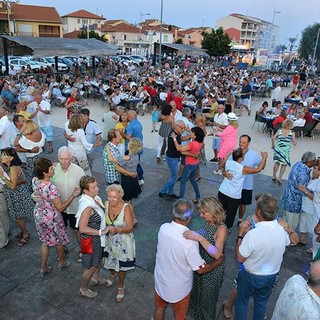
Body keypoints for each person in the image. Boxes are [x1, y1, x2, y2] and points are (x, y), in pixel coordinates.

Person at [153, 199, 223, 320]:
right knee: (180, 317)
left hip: (160, 281)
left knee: (159, 308)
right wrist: (216, 263)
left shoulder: (163, 228)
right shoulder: (189, 242)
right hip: (179, 289)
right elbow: (200, 269)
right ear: (189, 218)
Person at [235, 193, 290, 320]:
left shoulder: (253, 234)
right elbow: (289, 241)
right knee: (261, 303)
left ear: (258, 211)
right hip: (272, 275)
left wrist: (240, 235)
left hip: (250, 275)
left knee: (242, 302)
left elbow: (240, 258)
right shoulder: (282, 231)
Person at [33, 158, 80, 276]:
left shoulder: (35, 181)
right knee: (59, 241)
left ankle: (43, 267)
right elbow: (60, 208)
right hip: (52, 217)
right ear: (45, 172)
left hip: (39, 215)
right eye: (50, 168)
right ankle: (61, 262)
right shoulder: (51, 188)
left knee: (45, 242)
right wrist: (72, 196)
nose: (53, 168)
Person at [183, 197, 227, 320]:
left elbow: (217, 254)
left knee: (207, 300)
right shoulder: (209, 222)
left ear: (213, 211)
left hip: (213, 269)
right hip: (202, 264)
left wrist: (200, 238)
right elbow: (203, 233)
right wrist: (191, 234)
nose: (201, 216)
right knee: (197, 294)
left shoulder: (221, 229)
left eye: (204, 213)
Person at [76, 176, 111, 299]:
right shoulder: (87, 206)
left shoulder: (93, 199)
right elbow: (82, 228)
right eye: (94, 187)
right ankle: (84, 289)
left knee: (97, 262)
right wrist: (102, 231)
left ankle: (96, 278)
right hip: (91, 241)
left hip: (97, 239)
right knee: (91, 267)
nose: (98, 188)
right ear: (85, 191)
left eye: (96, 185)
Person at [218, 148, 267, 230]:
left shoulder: (228, 162)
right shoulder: (243, 169)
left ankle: (217, 226)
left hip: (222, 192)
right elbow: (258, 169)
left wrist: (227, 156)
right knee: (231, 214)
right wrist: (264, 158)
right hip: (234, 196)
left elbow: (221, 166)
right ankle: (225, 230)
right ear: (240, 158)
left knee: (220, 211)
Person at [51, 146, 86, 262]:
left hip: (74, 207)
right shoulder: (54, 170)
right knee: (61, 229)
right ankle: (63, 248)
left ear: (71, 158)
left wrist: (79, 191)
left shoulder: (78, 171)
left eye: (66, 159)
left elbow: (84, 187)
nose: (64, 162)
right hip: (59, 207)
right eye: (61, 159)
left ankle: (83, 250)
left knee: (77, 230)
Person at [103, 184, 135, 303]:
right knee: (110, 260)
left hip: (124, 243)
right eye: (109, 196)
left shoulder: (126, 208)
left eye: (114, 197)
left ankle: (121, 286)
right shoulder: (106, 205)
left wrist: (116, 229)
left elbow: (130, 227)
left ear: (120, 196)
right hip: (110, 241)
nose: (111, 199)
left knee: (122, 267)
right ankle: (112, 274)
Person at [0, 148, 34, 247]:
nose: (1, 157)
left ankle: (25, 234)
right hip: (16, 194)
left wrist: (2, 176)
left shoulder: (13, 168)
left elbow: (12, 185)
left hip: (17, 195)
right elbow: (23, 179)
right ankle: (23, 231)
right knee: (19, 216)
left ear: (10, 158)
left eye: (4, 155)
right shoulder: (11, 166)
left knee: (18, 216)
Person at [281, 152, 316, 233]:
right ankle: (288, 242)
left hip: (288, 198)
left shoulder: (298, 163)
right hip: (294, 204)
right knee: (291, 226)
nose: (315, 162)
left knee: (285, 222)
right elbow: (302, 190)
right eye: (314, 161)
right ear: (309, 162)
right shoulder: (303, 174)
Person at [171, 126, 204, 202]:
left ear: (195, 136)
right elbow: (185, 151)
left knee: (183, 181)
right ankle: (198, 197)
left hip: (189, 164)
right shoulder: (199, 142)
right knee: (193, 180)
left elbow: (179, 149)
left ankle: (181, 199)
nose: (190, 133)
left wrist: (174, 138)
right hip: (195, 164)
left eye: (192, 132)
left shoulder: (192, 144)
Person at [14, 119, 45, 191]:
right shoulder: (40, 132)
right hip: (41, 154)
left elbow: (15, 144)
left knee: (31, 175)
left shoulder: (25, 138)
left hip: (31, 158)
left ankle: (33, 190)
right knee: (41, 173)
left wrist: (20, 133)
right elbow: (43, 143)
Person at [158, 120, 185, 199]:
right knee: (175, 177)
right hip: (172, 158)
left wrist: (190, 134)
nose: (183, 129)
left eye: (184, 127)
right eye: (182, 127)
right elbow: (178, 148)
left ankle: (170, 192)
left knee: (174, 176)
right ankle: (162, 191)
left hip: (175, 158)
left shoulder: (177, 133)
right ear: (176, 126)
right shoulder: (172, 135)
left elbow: (182, 139)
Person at [119, 110, 144, 185]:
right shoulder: (138, 123)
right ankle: (140, 177)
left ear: (130, 116)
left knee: (134, 163)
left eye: (127, 115)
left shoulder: (131, 125)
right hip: (138, 146)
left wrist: (121, 132)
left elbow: (128, 136)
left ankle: (139, 177)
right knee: (137, 161)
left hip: (131, 147)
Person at [272, 119, 297, 184]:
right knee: (284, 164)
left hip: (278, 149)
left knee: (277, 162)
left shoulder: (279, 130)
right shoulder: (292, 132)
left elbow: (273, 138)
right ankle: (279, 177)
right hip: (285, 150)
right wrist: (295, 142)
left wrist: (273, 145)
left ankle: (274, 176)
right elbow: (294, 143)